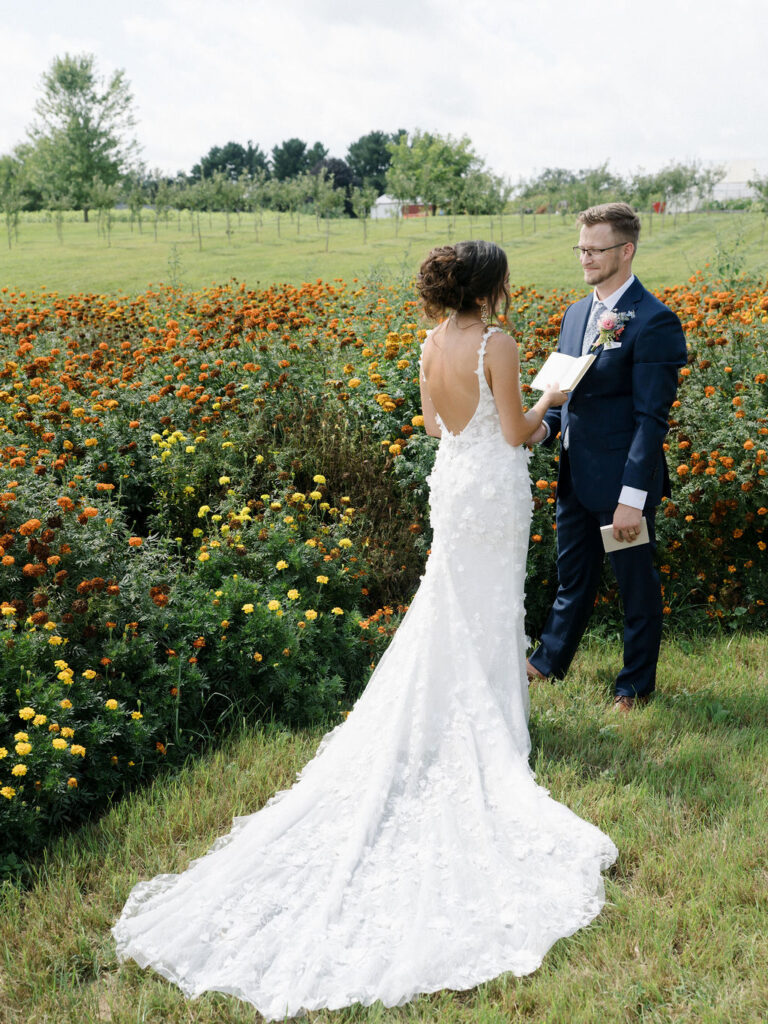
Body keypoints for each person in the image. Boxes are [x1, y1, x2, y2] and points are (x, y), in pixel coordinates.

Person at [112, 241, 617, 1020]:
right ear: (492, 287)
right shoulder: (500, 342)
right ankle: (488, 730)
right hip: (492, 488)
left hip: (453, 484)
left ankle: (461, 711)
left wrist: (496, 420)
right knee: (487, 606)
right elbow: (516, 432)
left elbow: (430, 424)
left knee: (454, 604)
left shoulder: (430, 342)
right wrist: (556, 397)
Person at [526, 203, 687, 711]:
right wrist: (543, 429)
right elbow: (566, 392)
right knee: (573, 577)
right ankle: (547, 663)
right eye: (582, 248)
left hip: (622, 484)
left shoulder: (655, 322)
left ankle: (634, 687)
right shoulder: (576, 314)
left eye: (596, 250)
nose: (586, 258)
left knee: (635, 586)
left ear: (626, 250)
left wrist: (631, 499)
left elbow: (650, 420)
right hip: (575, 474)